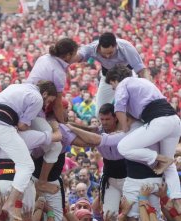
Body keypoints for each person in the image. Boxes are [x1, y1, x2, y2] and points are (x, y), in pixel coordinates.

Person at [106, 65, 181, 211]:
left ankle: (158, 158)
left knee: (124, 147)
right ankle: (177, 200)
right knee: (170, 166)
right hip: (174, 121)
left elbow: (119, 109)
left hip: (160, 122)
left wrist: (125, 131)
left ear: (115, 80)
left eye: (112, 86)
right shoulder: (143, 82)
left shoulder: (124, 83)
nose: (114, 89)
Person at [0, 80, 58, 219]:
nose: (46, 105)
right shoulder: (37, 97)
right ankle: (10, 203)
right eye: (48, 101)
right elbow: (22, 126)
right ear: (45, 93)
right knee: (27, 166)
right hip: (1, 126)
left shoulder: (13, 87)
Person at [26, 38, 78, 191]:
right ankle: (42, 181)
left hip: (30, 106)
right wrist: (63, 124)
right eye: (74, 54)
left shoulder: (44, 58)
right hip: (33, 110)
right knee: (55, 146)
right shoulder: (59, 72)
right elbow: (56, 104)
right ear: (68, 55)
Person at [72, 32, 151, 114]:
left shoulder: (126, 46)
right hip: (107, 77)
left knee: (134, 107)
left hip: (128, 76)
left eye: (110, 53)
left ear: (116, 46)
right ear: (99, 47)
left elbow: (141, 70)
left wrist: (148, 87)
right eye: (104, 53)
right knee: (99, 111)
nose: (107, 56)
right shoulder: (91, 48)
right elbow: (78, 55)